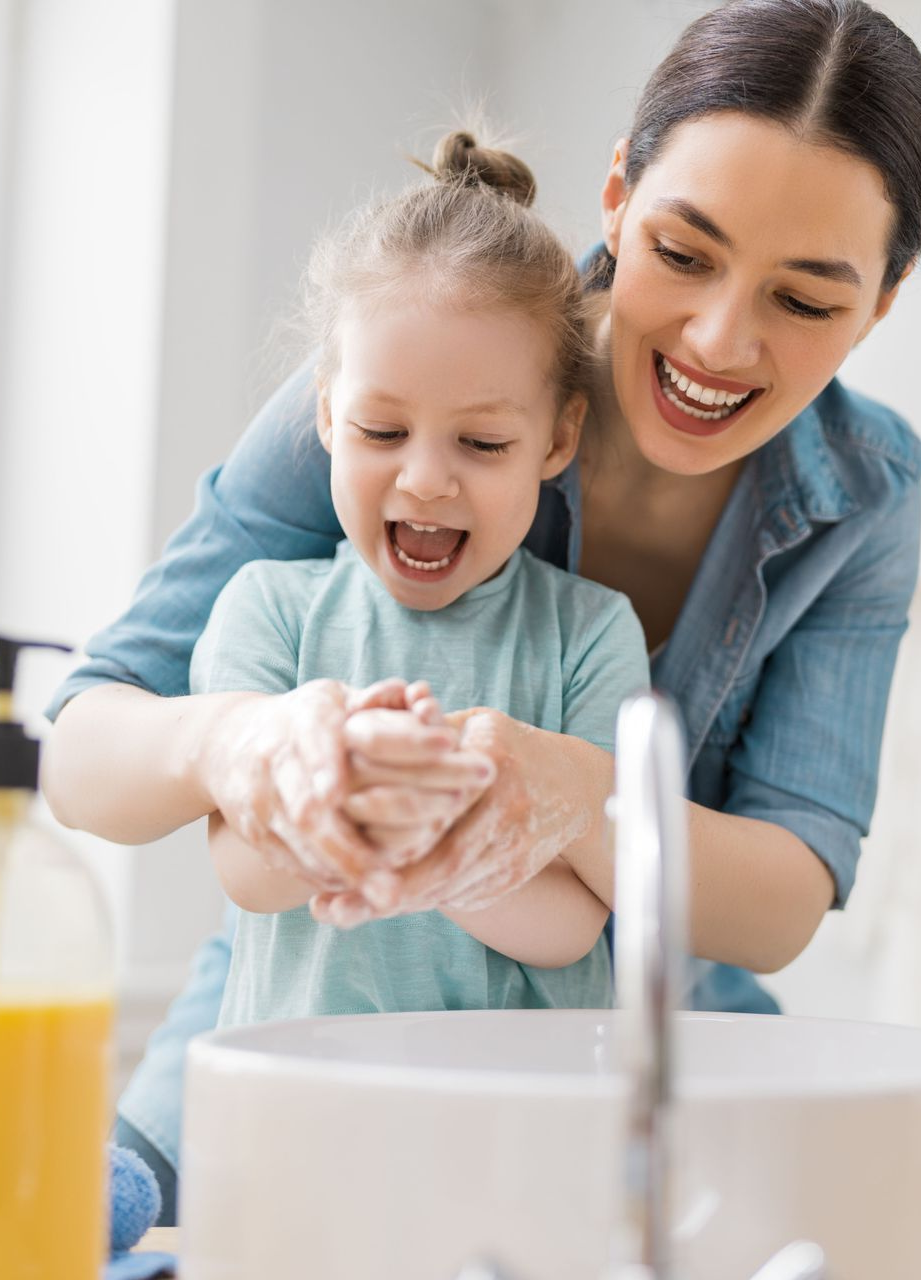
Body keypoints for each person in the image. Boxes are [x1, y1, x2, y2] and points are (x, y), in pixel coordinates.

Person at [43, 0, 921, 1221]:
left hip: (634, 1037)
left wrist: (566, 793)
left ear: (881, 303)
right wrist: (237, 744)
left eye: (806, 300)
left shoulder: (865, 498)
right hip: (314, 1008)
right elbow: (90, 740)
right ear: (619, 196)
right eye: (684, 253)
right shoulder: (417, 362)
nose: (721, 339)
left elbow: (785, 889)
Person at [197, 131, 644, 1029]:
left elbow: (573, 922)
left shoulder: (592, 635)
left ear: (557, 441)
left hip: (519, 1121)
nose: (427, 480)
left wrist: (429, 838)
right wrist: (387, 815)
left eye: (481, 443)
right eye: (381, 432)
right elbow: (245, 871)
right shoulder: (269, 610)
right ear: (327, 413)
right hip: (310, 1107)